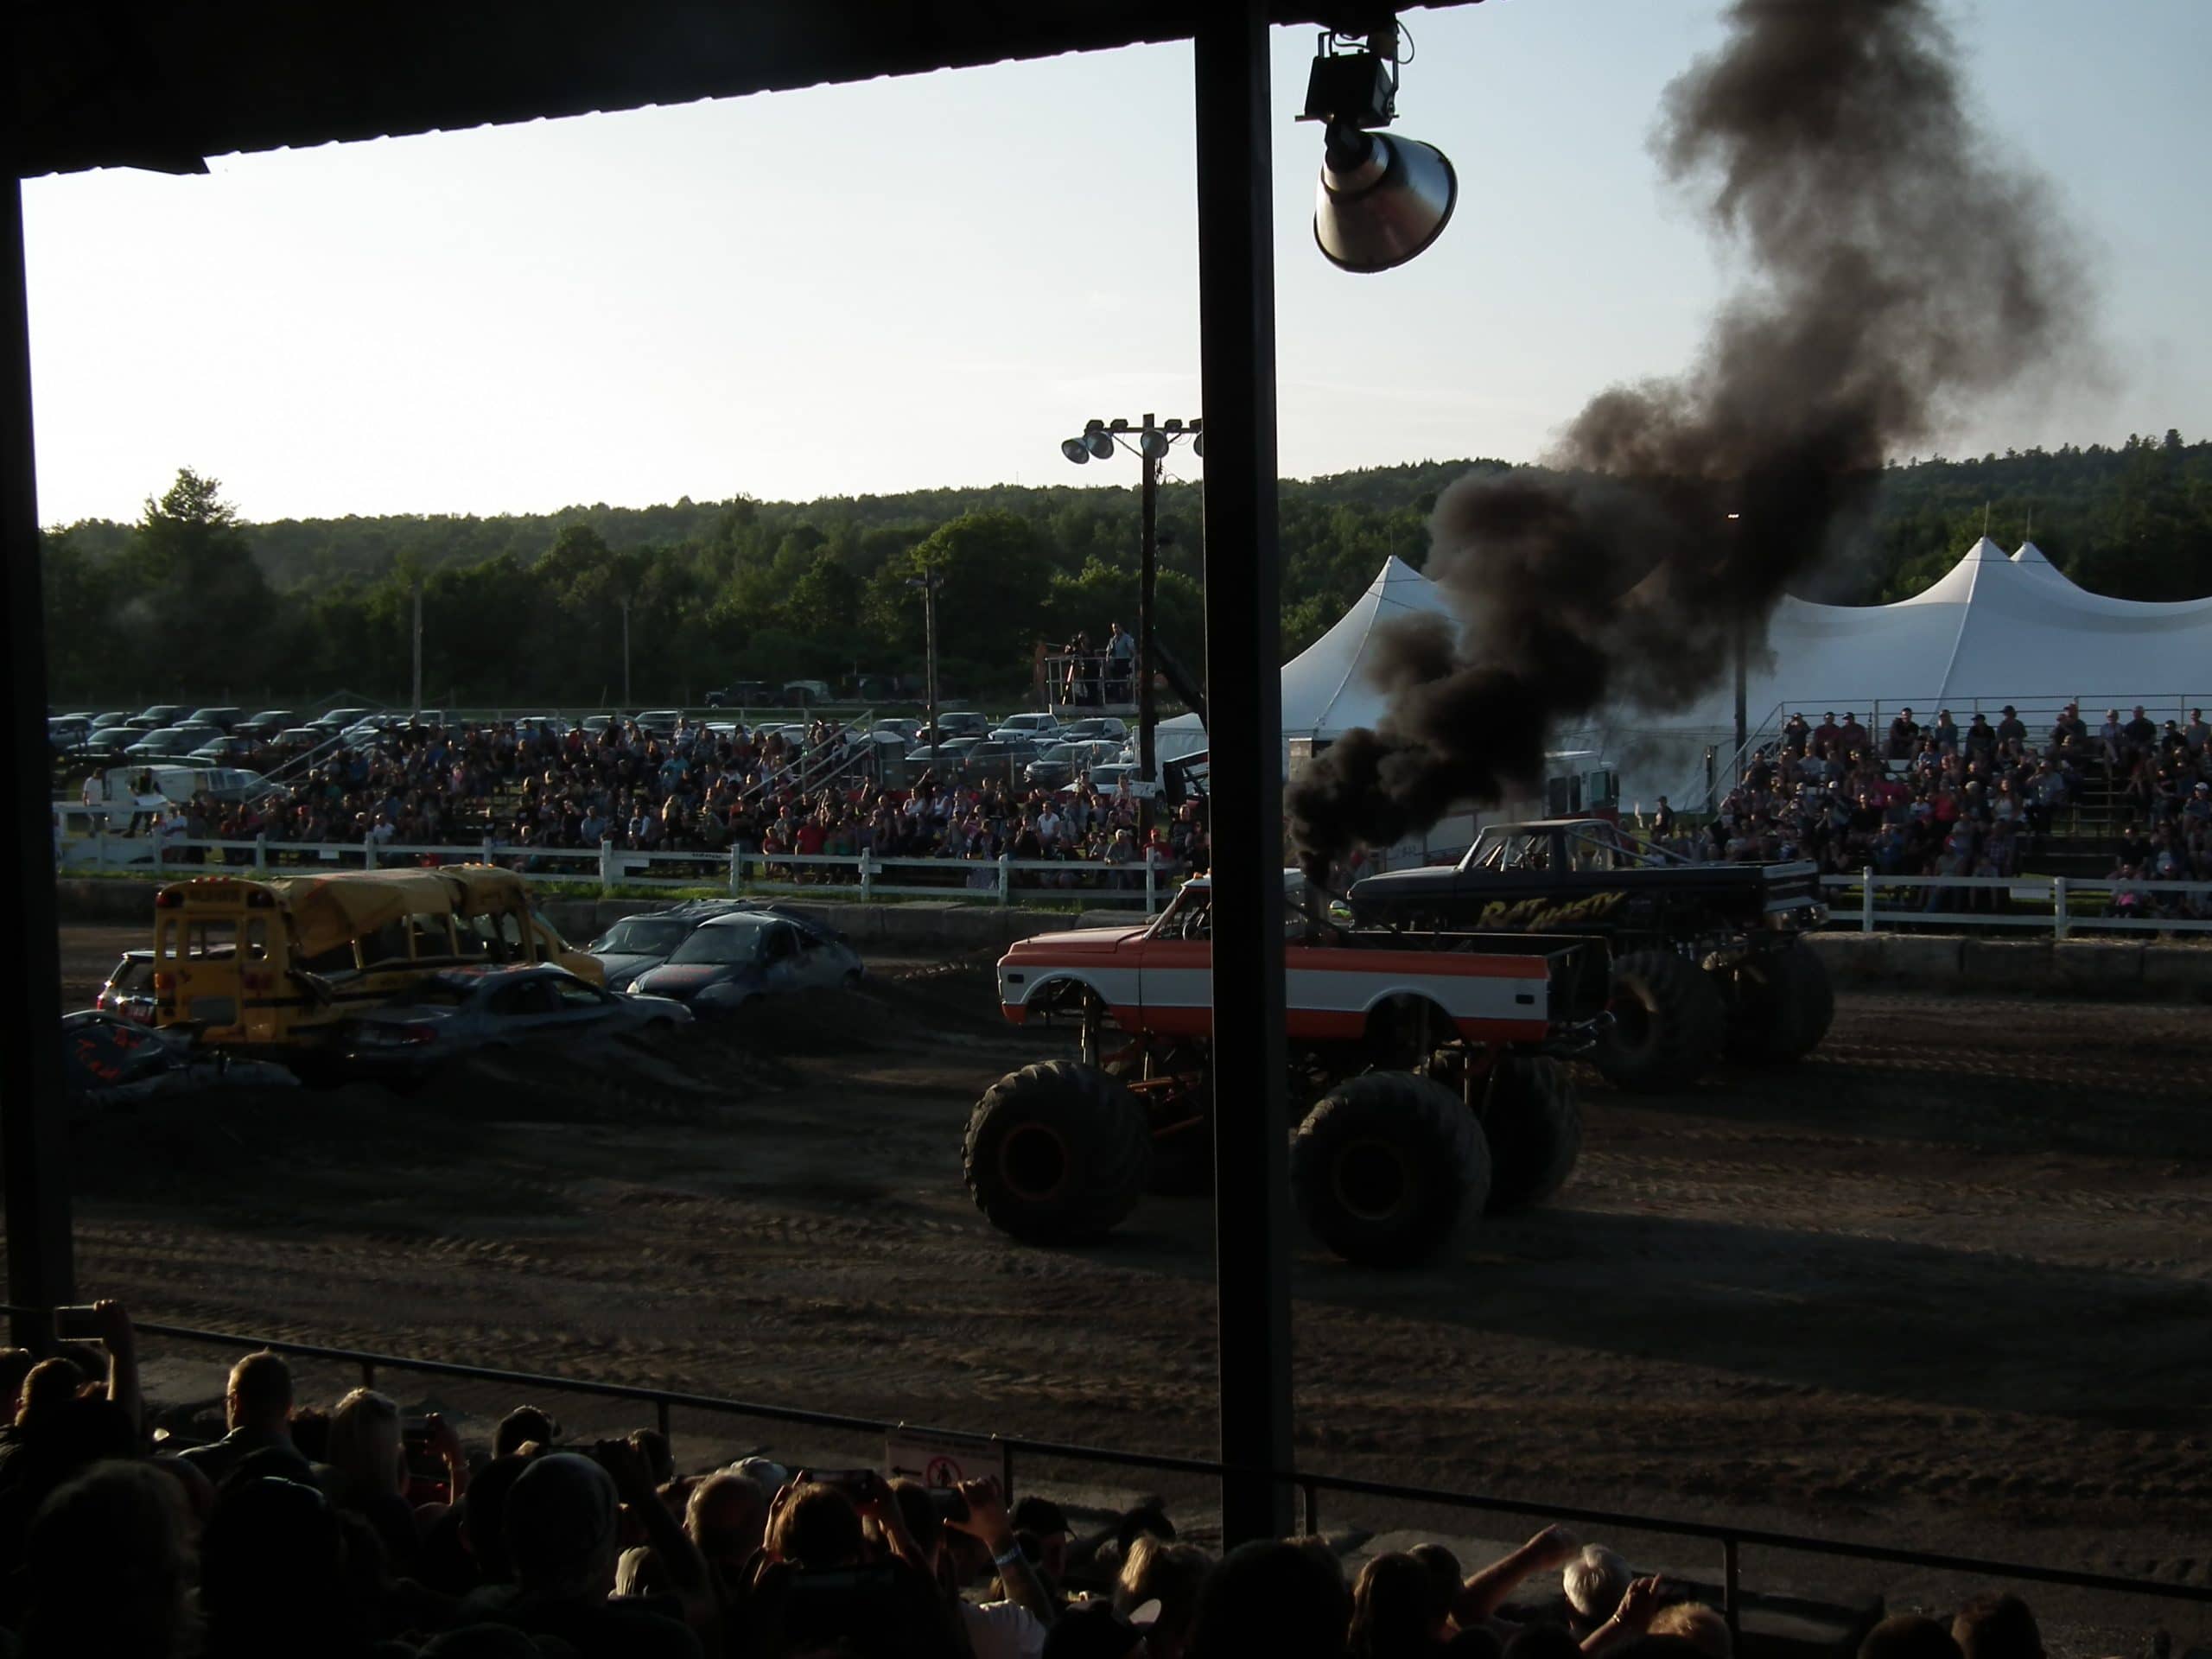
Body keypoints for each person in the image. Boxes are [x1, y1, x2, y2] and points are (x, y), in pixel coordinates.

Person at [179, 1349, 310, 1485]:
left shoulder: (190, 1468)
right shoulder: (316, 1477)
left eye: (228, 1401)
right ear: (289, 1408)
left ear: (236, 1403)